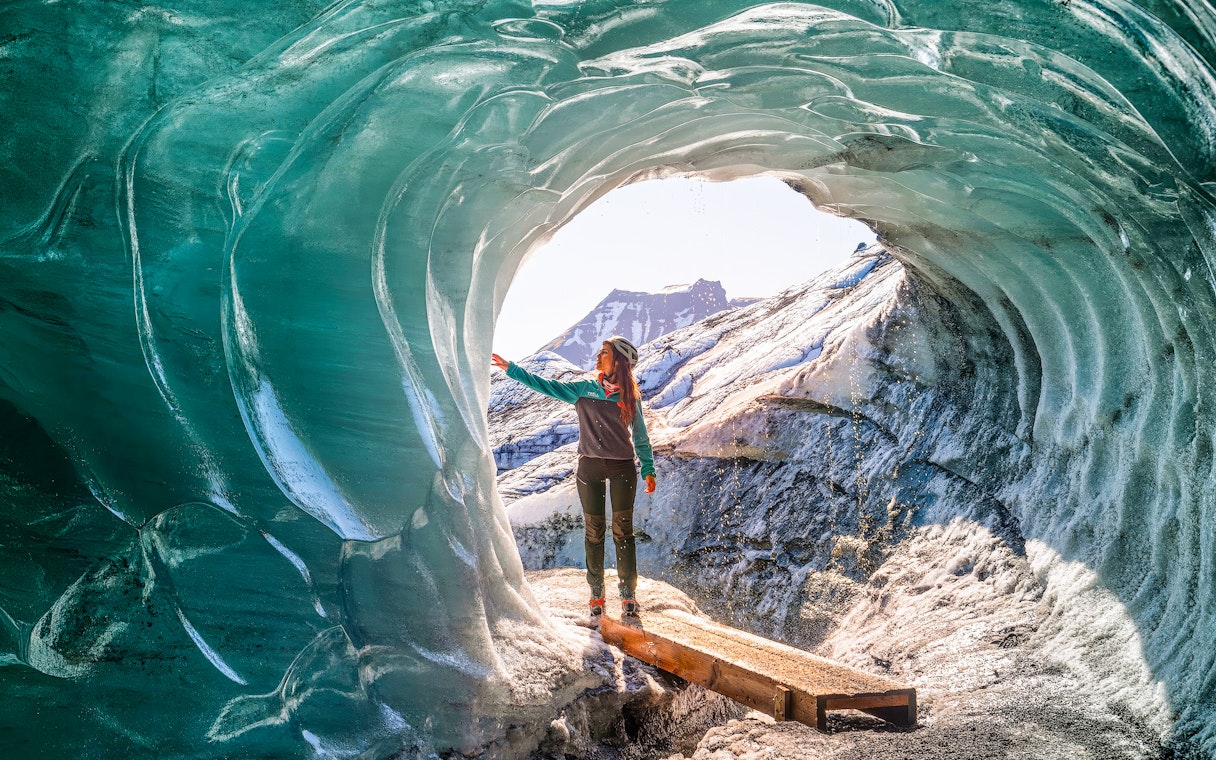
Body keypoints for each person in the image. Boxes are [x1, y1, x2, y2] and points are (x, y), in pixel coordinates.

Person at [491, 336, 656, 623]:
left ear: (618, 361)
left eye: (604, 353)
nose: (598, 356)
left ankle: (628, 594)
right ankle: (596, 594)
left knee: (623, 532)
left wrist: (648, 468)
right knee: (594, 532)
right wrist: (512, 369)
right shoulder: (585, 389)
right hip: (589, 467)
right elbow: (549, 387)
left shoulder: (630, 397)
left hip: (622, 468)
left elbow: (640, 436)